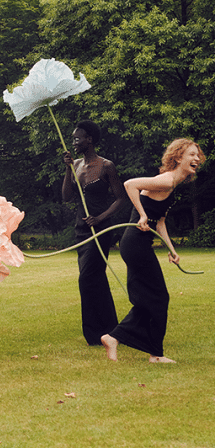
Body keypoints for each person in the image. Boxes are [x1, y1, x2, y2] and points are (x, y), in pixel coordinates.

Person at [101, 138, 205, 363]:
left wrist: (172, 249)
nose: (196, 159)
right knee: (158, 297)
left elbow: (160, 223)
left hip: (138, 244)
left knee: (149, 299)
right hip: (135, 243)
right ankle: (152, 354)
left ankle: (116, 338)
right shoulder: (167, 180)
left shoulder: (172, 184)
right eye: (191, 154)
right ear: (178, 157)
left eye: (198, 155)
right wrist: (141, 214)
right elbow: (130, 184)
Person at [63, 120, 127, 345]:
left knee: (87, 278)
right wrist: (67, 169)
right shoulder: (77, 165)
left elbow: (121, 198)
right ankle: (110, 331)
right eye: (73, 138)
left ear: (89, 139)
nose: (74, 142)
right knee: (96, 279)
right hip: (81, 229)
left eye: (77, 138)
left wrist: (100, 218)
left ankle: (94, 334)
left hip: (100, 228)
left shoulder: (106, 165)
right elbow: (67, 197)